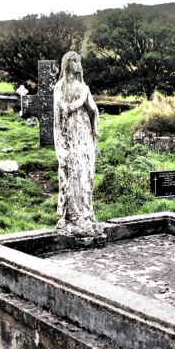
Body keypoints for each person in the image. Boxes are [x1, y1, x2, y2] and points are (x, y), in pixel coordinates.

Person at [53, 51, 101, 237]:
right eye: (73, 60)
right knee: (73, 174)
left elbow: (93, 111)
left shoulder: (83, 87)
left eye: (79, 60)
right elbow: (57, 119)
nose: (77, 63)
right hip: (70, 136)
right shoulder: (60, 87)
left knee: (86, 174)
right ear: (66, 63)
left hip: (84, 136)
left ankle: (86, 214)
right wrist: (61, 146)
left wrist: (90, 111)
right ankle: (73, 216)